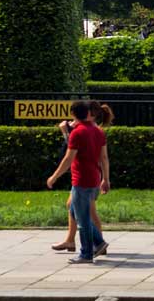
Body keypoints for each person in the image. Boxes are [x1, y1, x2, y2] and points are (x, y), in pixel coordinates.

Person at [47, 100, 110, 263]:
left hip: (81, 180)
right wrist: (106, 179)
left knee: (82, 219)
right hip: (94, 179)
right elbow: (104, 157)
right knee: (76, 211)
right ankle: (99, 242)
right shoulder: (98, 132)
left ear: (74, 114)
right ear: (88, 113)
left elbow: (68, 159)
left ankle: (86, 253)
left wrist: (54, 177)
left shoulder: (77, 133)